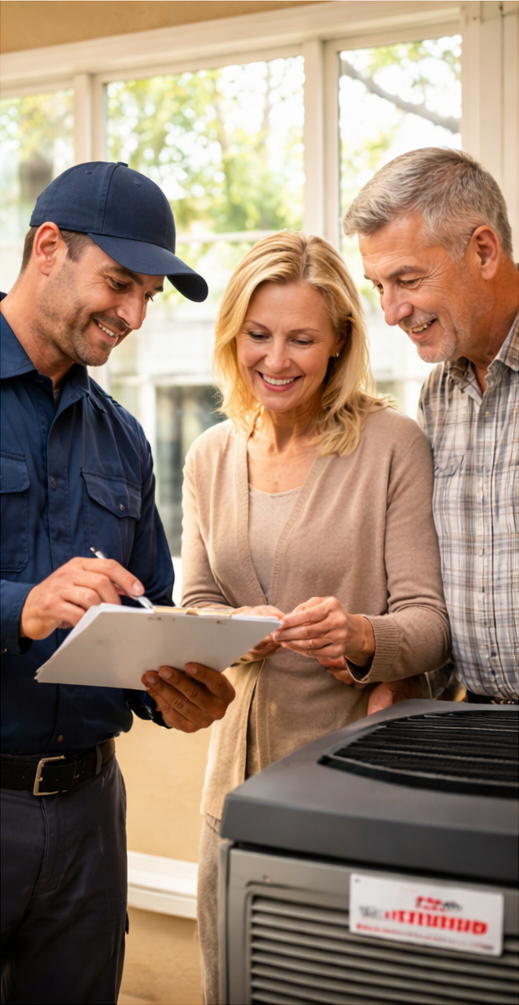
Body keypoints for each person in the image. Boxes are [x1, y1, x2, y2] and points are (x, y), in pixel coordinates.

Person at [179, 230, 451, 1002]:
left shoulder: (391, 442)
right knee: (236, 977)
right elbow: (196, 599)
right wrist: (234, 627)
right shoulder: (210, 454)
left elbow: (427, 620)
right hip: (232, 781)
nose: (276, 359)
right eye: (258, 336)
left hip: (353, 777)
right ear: (233, 335)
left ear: (338, 343)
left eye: (302, 338)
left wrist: (361, 634)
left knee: (334, 980)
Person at [0, 161, 235, 1005]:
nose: (134, 315)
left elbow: (147, 611)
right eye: (119, 284)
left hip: (90, 816)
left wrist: (172, 688)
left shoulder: (125, 441)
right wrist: (17, 605)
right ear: (48, 247)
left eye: (148, 296)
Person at [343, 147, 518, 705]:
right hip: (476, 724)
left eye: (408, 279)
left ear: (483, 251)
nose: (391, 312)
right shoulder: (439, 395)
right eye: (378, 286)